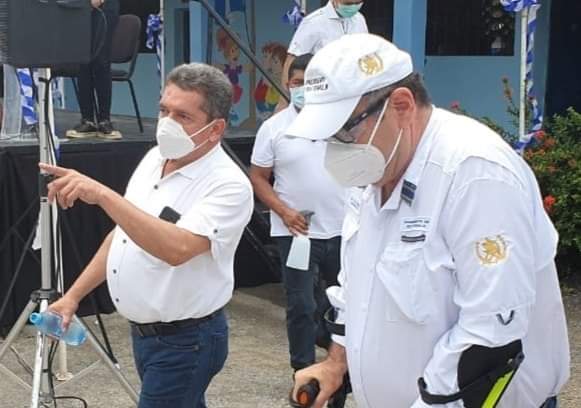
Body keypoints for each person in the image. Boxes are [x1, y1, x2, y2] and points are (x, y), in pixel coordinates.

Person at [287, 33, 570, 408]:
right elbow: (357, 285)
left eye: (343, 131)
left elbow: (492, 334)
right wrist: (336, 363)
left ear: (401, 106)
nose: (334, 150)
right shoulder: (373, 168)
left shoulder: (476, 173)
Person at [43, 63, 254, 408]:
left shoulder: (228, 185)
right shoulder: (156, 157)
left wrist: (104, 195)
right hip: (148, 336)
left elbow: (177, 248)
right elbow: (124, 234)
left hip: (187, 340)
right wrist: (73, 296)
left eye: (183, 116)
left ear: (215, 129)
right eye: (163, 110)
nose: (167, 123)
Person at [249, 54, 348, 406]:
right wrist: (284, 212)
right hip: (296, 232)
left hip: (343, 231)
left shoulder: (343, 124)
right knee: (301, 304)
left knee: (343, 304)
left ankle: (341, 368)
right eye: (296, 82)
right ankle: (303, 370)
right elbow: (259, 178)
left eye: (310, 82)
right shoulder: (274, 129)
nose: (302, 88)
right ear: (287, 83)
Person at [277, 0, 368, 111]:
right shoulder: (314, 22)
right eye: (348, 4)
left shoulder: (359, 20)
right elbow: (292, 60)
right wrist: (284, 99)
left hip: (350, 95)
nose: (353, 7)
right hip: (320, 95)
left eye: (357, 3)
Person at [66, 0, 121, 140]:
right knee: (83, 63)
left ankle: (104, 120)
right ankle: (87, 120)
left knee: (102, 61)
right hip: (80, 9)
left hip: (104, 8)